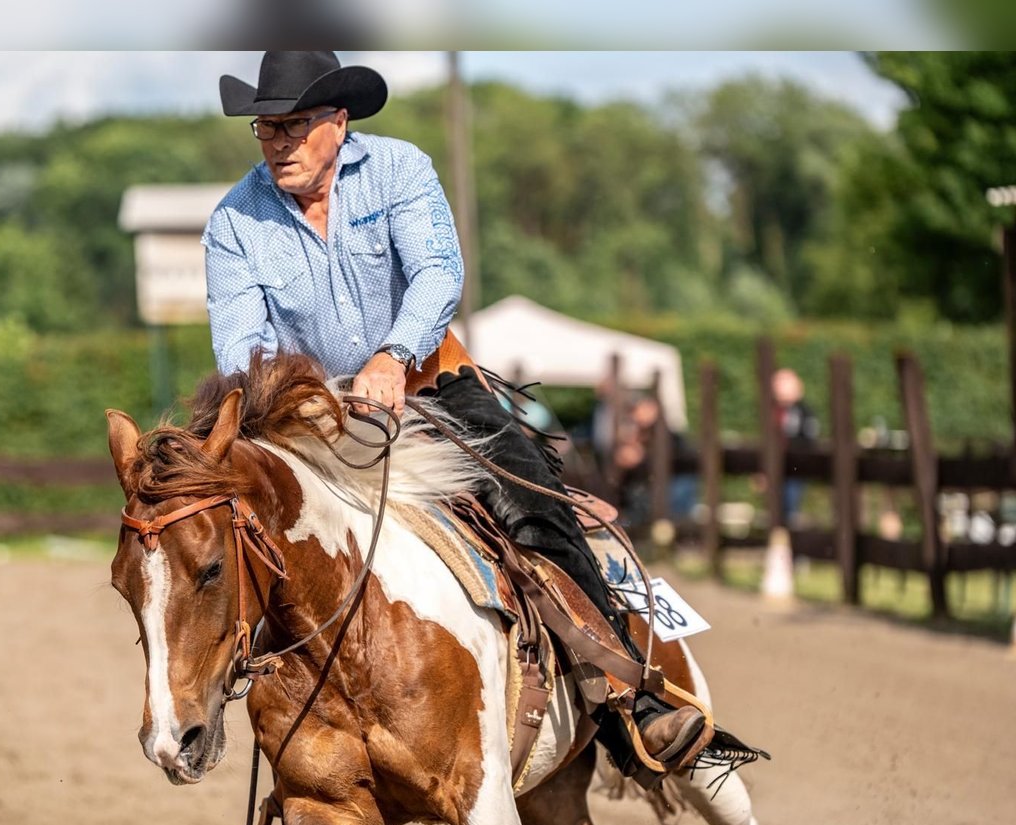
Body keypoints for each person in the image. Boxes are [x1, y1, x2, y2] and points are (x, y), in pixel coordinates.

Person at [202, 51, 706, 774]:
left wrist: (392, 355)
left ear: (337, 122)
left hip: (431, 384)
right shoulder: (233, 222)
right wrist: (296, 403)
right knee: (235, 538)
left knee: (534, 502)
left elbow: (438, 273)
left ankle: (627, 695)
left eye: (293, 125)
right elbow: (241, 349)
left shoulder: (400, 170)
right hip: (310, 418)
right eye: (265, 128)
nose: (278, 142)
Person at [772, 368, 820, 526]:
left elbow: (808, 440)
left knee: (790, 510)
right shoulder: (773, 411)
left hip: (795, 469)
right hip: (777, 467)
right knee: (776, 511)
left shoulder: (803, 411)